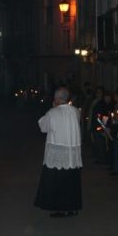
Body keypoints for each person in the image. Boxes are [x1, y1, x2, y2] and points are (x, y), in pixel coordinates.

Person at [34, 87, 82, 218]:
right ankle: (73, 208)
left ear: (57, 99)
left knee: (59, 183)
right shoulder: (76, 111)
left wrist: (53, 108)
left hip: (58, 155)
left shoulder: (53, 113)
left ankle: (61, 209)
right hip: (72, 154)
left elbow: (43, 127)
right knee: (71, 182)